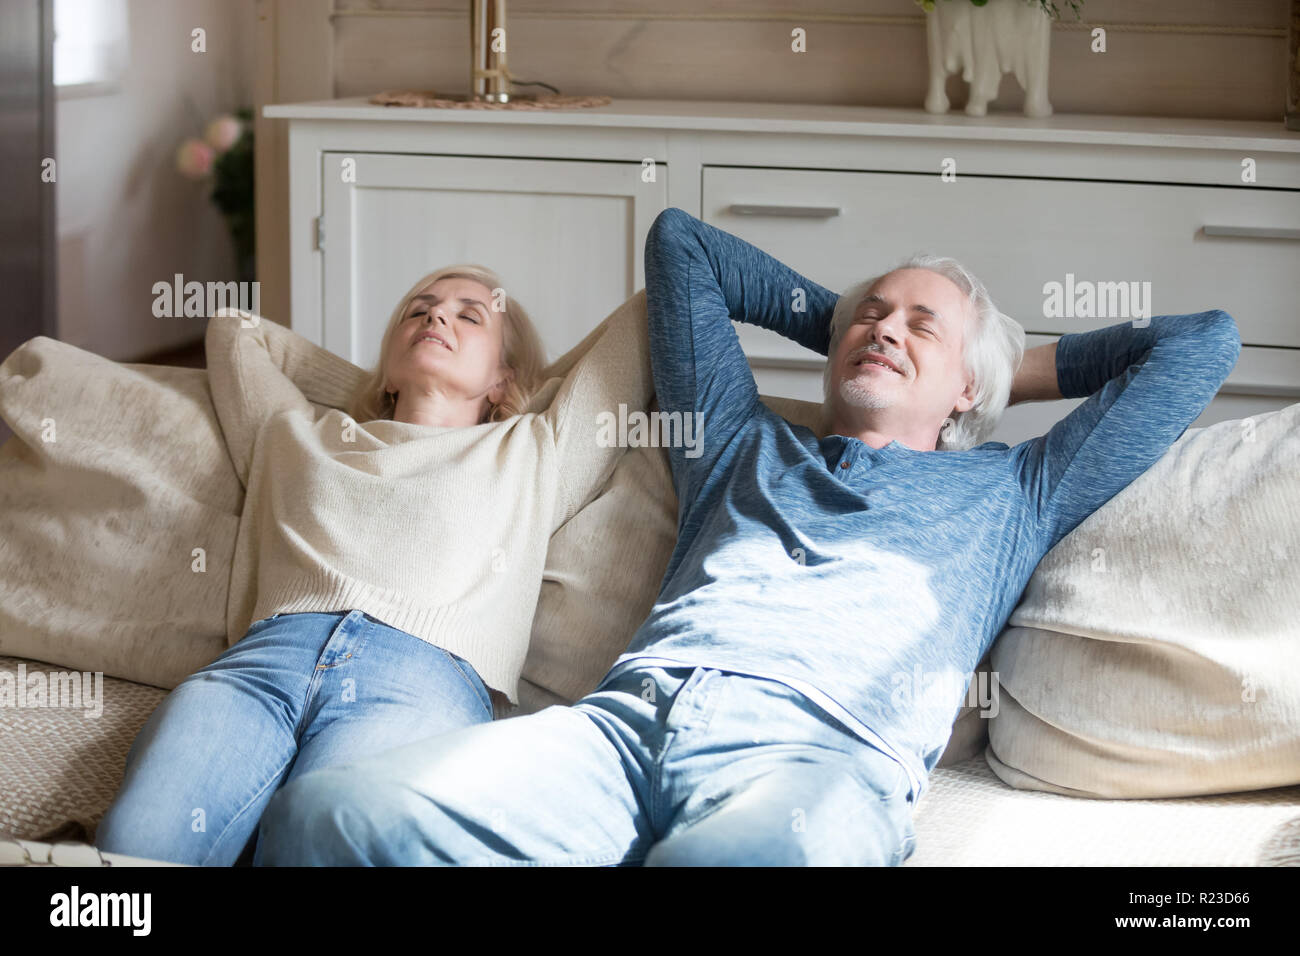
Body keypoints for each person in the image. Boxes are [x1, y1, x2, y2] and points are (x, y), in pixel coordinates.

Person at [252, 207, 1241, 866]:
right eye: (873, 313)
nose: (885, 328)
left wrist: (995, 366)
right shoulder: (735, 439)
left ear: (973, 389)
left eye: (918, 325)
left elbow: (1201, 343)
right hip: (619, 729)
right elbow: (682, 243)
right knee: (320, 818)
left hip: (817, 756)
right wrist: (853, 321)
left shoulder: (1017, 484)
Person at [94, 263, 651, 865]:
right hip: (260, 667)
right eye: (419, 309)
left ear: (503, 379)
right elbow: (235, 330)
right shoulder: (297, 433)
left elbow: (648, 314)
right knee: (135, 849)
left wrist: (529, 389)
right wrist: (378, 384)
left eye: (469, 315)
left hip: (418, 683)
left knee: (319, 843)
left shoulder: (533, 452)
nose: (436, 315)